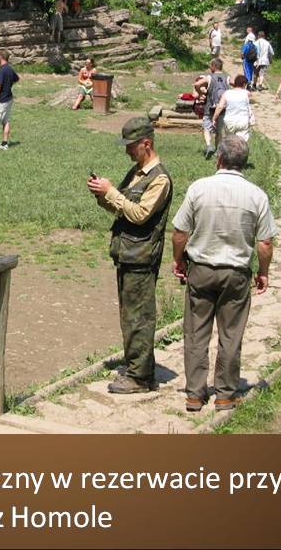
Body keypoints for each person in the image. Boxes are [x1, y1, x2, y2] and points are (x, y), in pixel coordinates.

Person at [170, 135, 277, 412]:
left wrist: (178, 260)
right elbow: (265, 242)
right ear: (244, 163)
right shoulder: (257, 195)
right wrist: (263, 272)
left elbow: (180, 231)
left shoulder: (199, 188)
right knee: (231, 335)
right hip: (236, 273)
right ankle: (225, 395)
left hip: (201, 269)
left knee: (196, 333)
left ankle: (195, 395)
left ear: (219, 158)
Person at [87, 117, 173, 394]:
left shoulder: (159, 179)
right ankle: (140, 368)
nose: (127, 151)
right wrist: (102, 196)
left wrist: (111, 192)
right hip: (129, 254)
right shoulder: (137, 173)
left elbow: (139, 214)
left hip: (141, 257)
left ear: (146, 144)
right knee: (130, 316)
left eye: (131, 145)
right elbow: (122, 209)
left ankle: (139, 377)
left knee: (139, 318)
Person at [194, 58, 230, 159]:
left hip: (210, 108)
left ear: (214, 66)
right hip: (222, 108)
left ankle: (209, 145)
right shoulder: (227, 77)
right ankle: (217, 151)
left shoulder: (210, 77)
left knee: (206, 128)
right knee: (219, 131)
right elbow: (236, 85)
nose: (210, 67)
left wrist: (200, 94)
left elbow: (197, 84)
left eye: (210, 65)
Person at [213, 74, 253, 142]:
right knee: (242, 142)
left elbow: (220, 107)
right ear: (244, 84)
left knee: (230, 142)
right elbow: (249, 95)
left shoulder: (226, 93)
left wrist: (214, 118)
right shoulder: (247, 93)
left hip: (230, 121)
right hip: (242, 121)